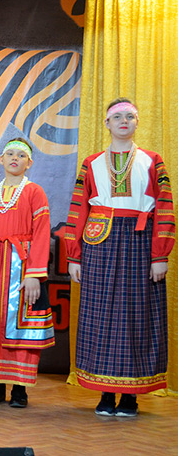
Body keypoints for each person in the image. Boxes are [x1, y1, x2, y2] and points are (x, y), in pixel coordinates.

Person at [66, 98, 174, 417]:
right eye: (117, 117)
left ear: (137, 122)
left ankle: (130, 396)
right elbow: (78, 209)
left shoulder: (153, 161)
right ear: (107, 123)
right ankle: (105, 392)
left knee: (136, 314)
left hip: (141, 241)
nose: (123, 121)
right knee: (99, 314)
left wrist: (160, 255)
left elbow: (165, 207)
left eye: (130, 116)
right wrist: (74, 256)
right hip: (99, 242)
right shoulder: (91, 163)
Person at [0, 137, 54, 408]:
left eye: (21, 155)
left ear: (29, 163)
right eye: (10, 154)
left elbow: (42, 233)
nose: (15, 158)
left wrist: (34, 275)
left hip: (22, 266)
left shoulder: (35, 192)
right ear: (1, 160)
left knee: (21, 328)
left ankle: (20, 389)